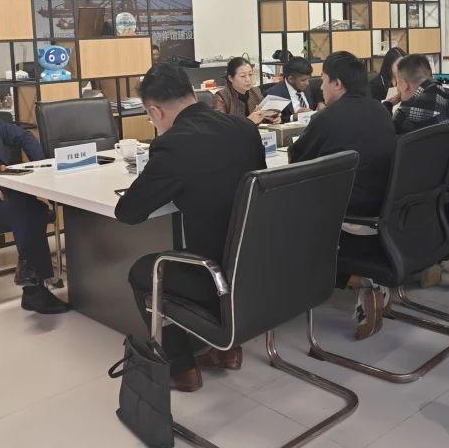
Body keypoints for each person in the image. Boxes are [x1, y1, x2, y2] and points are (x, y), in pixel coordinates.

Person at [118, 64, 266, 392]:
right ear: (192, 94)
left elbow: (129, 212)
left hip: (214, 276)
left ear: (155, 111)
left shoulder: (173, 144)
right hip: (256, 265)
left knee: (143, 272)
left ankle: (182, 368)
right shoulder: (244, 128)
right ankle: (227, 351)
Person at [289, 51, 397, 339]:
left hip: (348, 213)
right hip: (384, 209)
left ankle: (360, 280)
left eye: (323, 81)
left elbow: (297, 162)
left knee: (285, 222)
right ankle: (370, 281)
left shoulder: (328, 118)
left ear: (337, 83)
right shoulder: (381, 111)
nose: (321, 88)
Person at [392, 54, 449, 291]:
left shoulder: (408, 110)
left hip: (435, 192)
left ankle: (432, 259)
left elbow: (389, 150)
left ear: (404, 84)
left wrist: (389, 104)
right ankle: (439, 258)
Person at [0, 112, 69, 314]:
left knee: (30, 207)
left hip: (2, 189)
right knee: (33, 210)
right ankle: (34, 290)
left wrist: (45, 169)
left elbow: (24, 137)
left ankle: (32, 281)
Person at [213, 57, 278, 125]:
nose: (248, 79)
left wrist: (273, 119)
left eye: (250, 74)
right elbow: (220, 126)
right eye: (243, 76)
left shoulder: (255, 91)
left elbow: (263, 119)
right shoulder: (222, 97)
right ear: (231, 78)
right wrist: (248, 121)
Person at [264, 57, 320, 123]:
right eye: (303, 80)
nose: (307, 83)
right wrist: (293, 117)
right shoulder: (274, 94)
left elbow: (318, 100)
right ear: (290, 79)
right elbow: (269, 121)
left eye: (308, 79)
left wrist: (320, 103)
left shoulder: (309, 88)